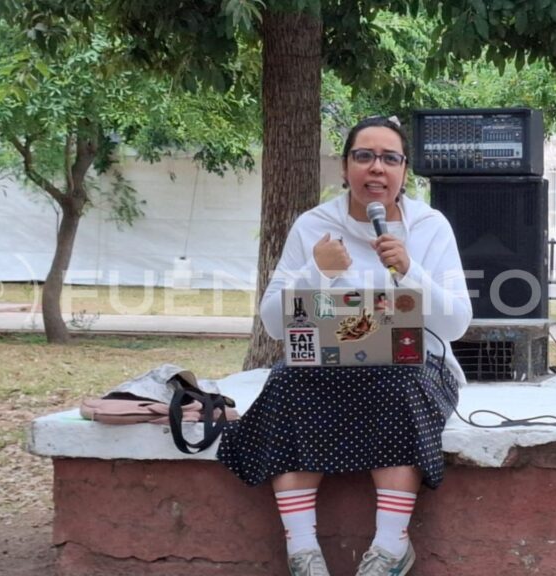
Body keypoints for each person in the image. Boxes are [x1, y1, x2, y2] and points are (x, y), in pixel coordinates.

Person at [217, 116, 472, 576]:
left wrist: (410, 271)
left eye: (390, 159)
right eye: (364, 156)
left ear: (404, 172)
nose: (376, 168)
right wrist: (317, 271)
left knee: (398, 382)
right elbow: (274, 323)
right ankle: (303, 551)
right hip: (327, 366)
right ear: (345, 167)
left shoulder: (430, 227)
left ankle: (391, 548)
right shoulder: (313, 226)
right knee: (286, 382)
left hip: (415, 369)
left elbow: (456, 324)